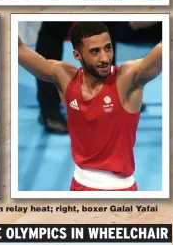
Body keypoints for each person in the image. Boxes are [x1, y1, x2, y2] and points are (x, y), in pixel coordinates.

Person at [18, 22, 163, 191]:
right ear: (77, 55)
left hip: (121, 192)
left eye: (108, 48)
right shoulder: (64, 77)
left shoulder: (128, 78)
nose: (105, 58)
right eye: (95, 51)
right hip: (79, 187)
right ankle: (49, 114)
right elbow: (18, 49)